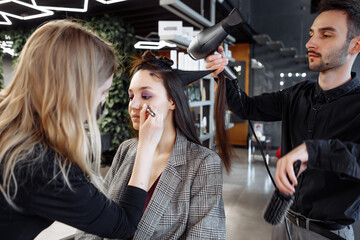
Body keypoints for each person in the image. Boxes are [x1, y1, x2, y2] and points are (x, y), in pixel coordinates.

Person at [206, 0, 360, 239]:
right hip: (284, 226)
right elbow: (245, 107)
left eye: (326, 35)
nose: (310, 43)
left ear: (355, 45)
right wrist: (225, 75)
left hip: (329, 235)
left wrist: (313, 151)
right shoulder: (297, 94)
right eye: (311, 34)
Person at [0, 20, 165, 240]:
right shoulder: (44, 165)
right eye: (102, 92)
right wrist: (147, 146)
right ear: (77, 90)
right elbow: (123, 226)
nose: (101, 101)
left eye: (146, 96)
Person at [76, 50, 226, 240]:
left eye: (146, 96)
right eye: (131, 97)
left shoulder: (203, 163)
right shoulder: (127, 149)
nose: (134, 105)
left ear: (172, 101)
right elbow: (96, 216)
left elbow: (206, 235)